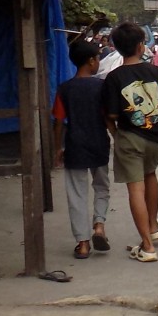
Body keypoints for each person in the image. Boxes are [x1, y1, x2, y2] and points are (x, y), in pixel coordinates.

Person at [101, 21, 158, 262]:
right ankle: (151, 227)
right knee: (150, 175)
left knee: (135, 188)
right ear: (142, 46)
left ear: (117, 48)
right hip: (157, 138)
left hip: (129, 137)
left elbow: (109, 115)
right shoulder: (156, 72)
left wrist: (116, 135)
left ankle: (148, 246)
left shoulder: (114, 77)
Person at [52, 39, 111, 260]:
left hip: (75, 146)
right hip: (99, 143)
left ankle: (83, 243)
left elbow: (58, 121)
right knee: (102, 187)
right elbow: (107, 117)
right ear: (90, 61)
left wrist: (58, 148)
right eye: (97, 58)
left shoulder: (64, 89)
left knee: (76, 194)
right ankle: (99, 225)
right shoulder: (101, 87)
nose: (98, 62)